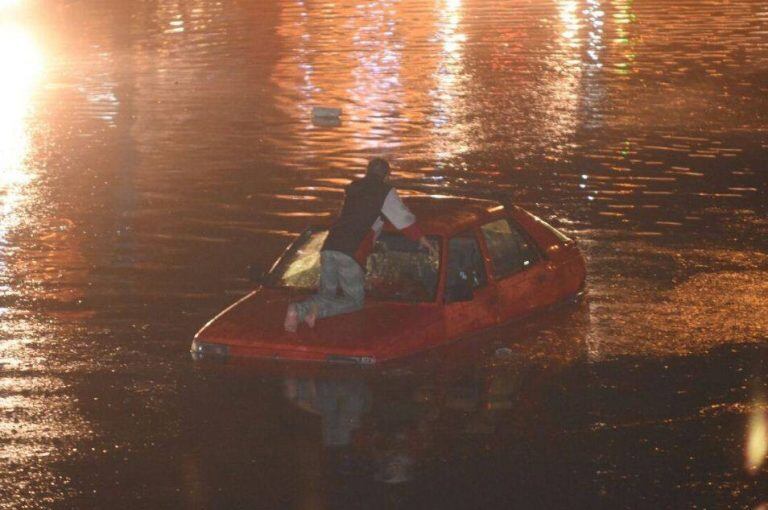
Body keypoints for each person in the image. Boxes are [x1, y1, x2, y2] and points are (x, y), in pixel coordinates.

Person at [284, 157, 437, 332]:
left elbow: (352, 215)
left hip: (329, 246)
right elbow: (402, 218)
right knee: (354, 302)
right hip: (350, 251)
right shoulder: (384, 191)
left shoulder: (353, 188)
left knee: (327, 295)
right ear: (387, 176)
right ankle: (300, 310)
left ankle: (310, 312)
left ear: (367, 172)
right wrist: (421, 238)